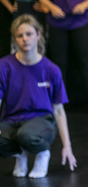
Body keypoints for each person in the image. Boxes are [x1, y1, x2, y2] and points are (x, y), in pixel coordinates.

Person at [0, 14, 77, 178]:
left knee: (26, 135)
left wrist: (67, 146)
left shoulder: (51, 69)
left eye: (29, 34)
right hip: (12, 120)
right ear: (14, 39)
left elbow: (58, 110)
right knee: (12, 136)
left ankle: (42, 154)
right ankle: (19, 154)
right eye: (19, 36)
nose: (25, 39)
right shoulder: (4, 65)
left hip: (41, 120)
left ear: (38, 35)